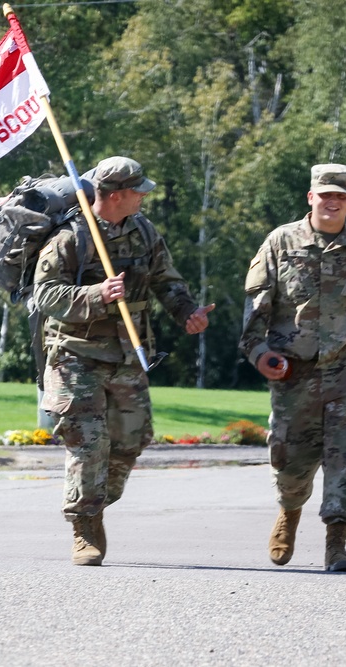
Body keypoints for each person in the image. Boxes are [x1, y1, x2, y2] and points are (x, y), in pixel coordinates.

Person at [33, 156, 215, 566]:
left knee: (133, 439)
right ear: (115, 195)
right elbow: (45, 296)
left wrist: (187, 312)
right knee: (89, 442)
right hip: (74, 355)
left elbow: (167, 280)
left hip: (127, 354)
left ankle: (96, 500)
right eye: (138, 191)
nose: (144, 196)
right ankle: (85, 526)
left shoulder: (143, 230)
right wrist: (97, 295)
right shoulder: (71, 237)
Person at [239, 163, 346, 572]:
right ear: (311, 197)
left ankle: (337, 543)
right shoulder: (280, 243)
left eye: (342, 196)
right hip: (293, 371)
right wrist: (259, 353)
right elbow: (255, 308)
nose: (333, 202)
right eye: (326, 194)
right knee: (290, 457)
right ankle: (289, 511)